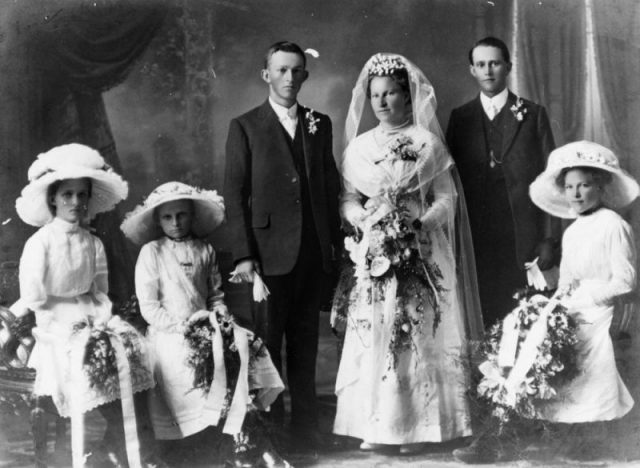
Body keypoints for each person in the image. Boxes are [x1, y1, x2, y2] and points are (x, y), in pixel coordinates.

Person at [331, 53, 483, 455]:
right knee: (378, 328)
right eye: (375, 95)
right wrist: (365, 220)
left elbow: (446, 199)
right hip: (376, 248)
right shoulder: (360, 148)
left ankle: (423, 427)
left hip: (422, 246)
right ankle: (378, 425)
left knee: (419, 328)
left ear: (407, 96)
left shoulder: (426, 143)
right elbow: (347, 200)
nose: (381, 102)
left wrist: (418, 223)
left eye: (390, 94)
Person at [454, 140, 639, 463]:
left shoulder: (614, 225)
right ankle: (497, 437)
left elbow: (625, 281)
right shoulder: (573, 230)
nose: (576, 194)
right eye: (569, 187)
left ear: (602, 185)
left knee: (538, 345)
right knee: (520, 334)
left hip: (599, 310)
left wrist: (583, 297)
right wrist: (549, 301)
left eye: (584, 185)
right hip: (571, 307)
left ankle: (504, 438)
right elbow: (566, 282)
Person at [223, 40, 341, 448]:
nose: (290, 78)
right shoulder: (245, 126)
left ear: (305, 75)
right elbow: (234, 194)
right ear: (266, 75)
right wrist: (244, 256)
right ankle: (268, 435)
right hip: (268, 257)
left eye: (297, 70)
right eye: (281, 70)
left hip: (311, 254)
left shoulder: (318, 123)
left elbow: (328, 185)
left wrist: (334, 250)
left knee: (306, 345)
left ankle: (307, 432)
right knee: (267, 345)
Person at [120, 181, 288, 467]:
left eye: (182, 215)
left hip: (205, 327)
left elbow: (214, 296)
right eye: (167, 217)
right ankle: (196, 444)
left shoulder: (204, 249)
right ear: (158, 220)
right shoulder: (152, 252)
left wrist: (219, 319)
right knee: (185, 363)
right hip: (168, 332)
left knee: (245, 351)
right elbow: (149, 307)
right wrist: (184, 327)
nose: (175, 223)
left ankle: (244, 441)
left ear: (192, 215)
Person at [12, 143, 155, 467]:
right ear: (53, 199)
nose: (75, 202)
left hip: (90, 312)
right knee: (84, 355)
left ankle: (122, 446)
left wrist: (101, 319)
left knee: (130, 348)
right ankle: (76, 452)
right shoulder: (41, 242)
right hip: (51, 319)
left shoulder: (94, 243)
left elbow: (100, 291)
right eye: (67, 195)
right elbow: (34, 297)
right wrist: (66, 324)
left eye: (82, 195)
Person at [446, 36, 559, 326]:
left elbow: (552, 181)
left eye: (494, 63)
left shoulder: (533, 114)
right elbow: (448, 183)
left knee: (522, 314)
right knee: (481, 310)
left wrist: (548, 239)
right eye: (481, 64)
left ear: (507, 66)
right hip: (477, 234)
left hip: (522, 233)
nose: (488, 70)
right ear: (472, 70)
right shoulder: (461, 118)